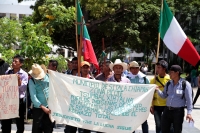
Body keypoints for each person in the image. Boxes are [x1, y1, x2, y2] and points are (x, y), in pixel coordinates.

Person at [155, 65, 193, 133]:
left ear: (177, 73)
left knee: (177, 130)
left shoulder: (185, 84)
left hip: (178, 112)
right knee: (164, 129)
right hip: (167, 110)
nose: (169, 74)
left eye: (171, 72)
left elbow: (189, 100)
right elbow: (164, 95)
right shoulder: (169, 83)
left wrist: (189, 113)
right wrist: (157, 90)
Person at [1, 55, 28, 133]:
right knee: (6, 122)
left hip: (18, 101)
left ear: (21, 64)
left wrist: (19, 81)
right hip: (8, 100)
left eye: (15, 61)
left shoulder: (24, 74)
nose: (13, 63)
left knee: (19, 123)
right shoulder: (8, 72)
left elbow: (23, 89)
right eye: (13, 61)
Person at [28, 64, 53, 133]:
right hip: (38, 108)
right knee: (37, 128)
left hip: (49, 106)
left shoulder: (48, 76)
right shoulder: (32, 81)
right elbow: (33, 97)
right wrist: (42, 107)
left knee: (48, 128)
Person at [127, 61, 149, 133]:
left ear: (139, 69)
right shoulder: (127, 78)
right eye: (133, 68)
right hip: (130, 104)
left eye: (136, 68)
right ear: (130, 69)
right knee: (131, 121)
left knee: (144, 121)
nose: (135, 70)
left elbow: (148, 90)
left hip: (141, 104)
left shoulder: (145, 78)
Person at [150, 60, 171, 133]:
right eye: (156, 67)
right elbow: (151, 94)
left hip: (167, 106)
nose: (157, 69)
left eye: (159, 67)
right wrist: (151, 105)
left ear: (164, 69)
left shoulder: (170, 79)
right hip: (156, 106)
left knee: (168, 125)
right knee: (158, 125)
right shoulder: (153, 80)